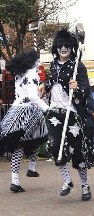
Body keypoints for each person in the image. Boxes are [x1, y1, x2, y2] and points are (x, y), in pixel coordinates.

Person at [44, 28, 94, 201]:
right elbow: (51, 84)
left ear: (72, 47)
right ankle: (67, 181)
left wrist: (78, 88)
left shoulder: (77, 66)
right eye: (60, 45)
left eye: (67, 45)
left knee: (77, 150)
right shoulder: (52, 65)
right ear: (56, 47)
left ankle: (84, 185)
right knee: (55, 146)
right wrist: (44, 86)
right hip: (54, 113)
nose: (63, 48)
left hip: (72, 113)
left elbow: (85, 91)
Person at [0, 50, 49, 192]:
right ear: (33, 62)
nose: (39, 63)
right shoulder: (32, 74)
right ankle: (30, 169)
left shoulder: (19, 75)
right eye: (37, 61)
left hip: (16, 110)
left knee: (31, 140)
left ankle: (19, 177)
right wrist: (47, 109)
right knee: (37, 138)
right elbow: (33, 97)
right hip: (29, 111)